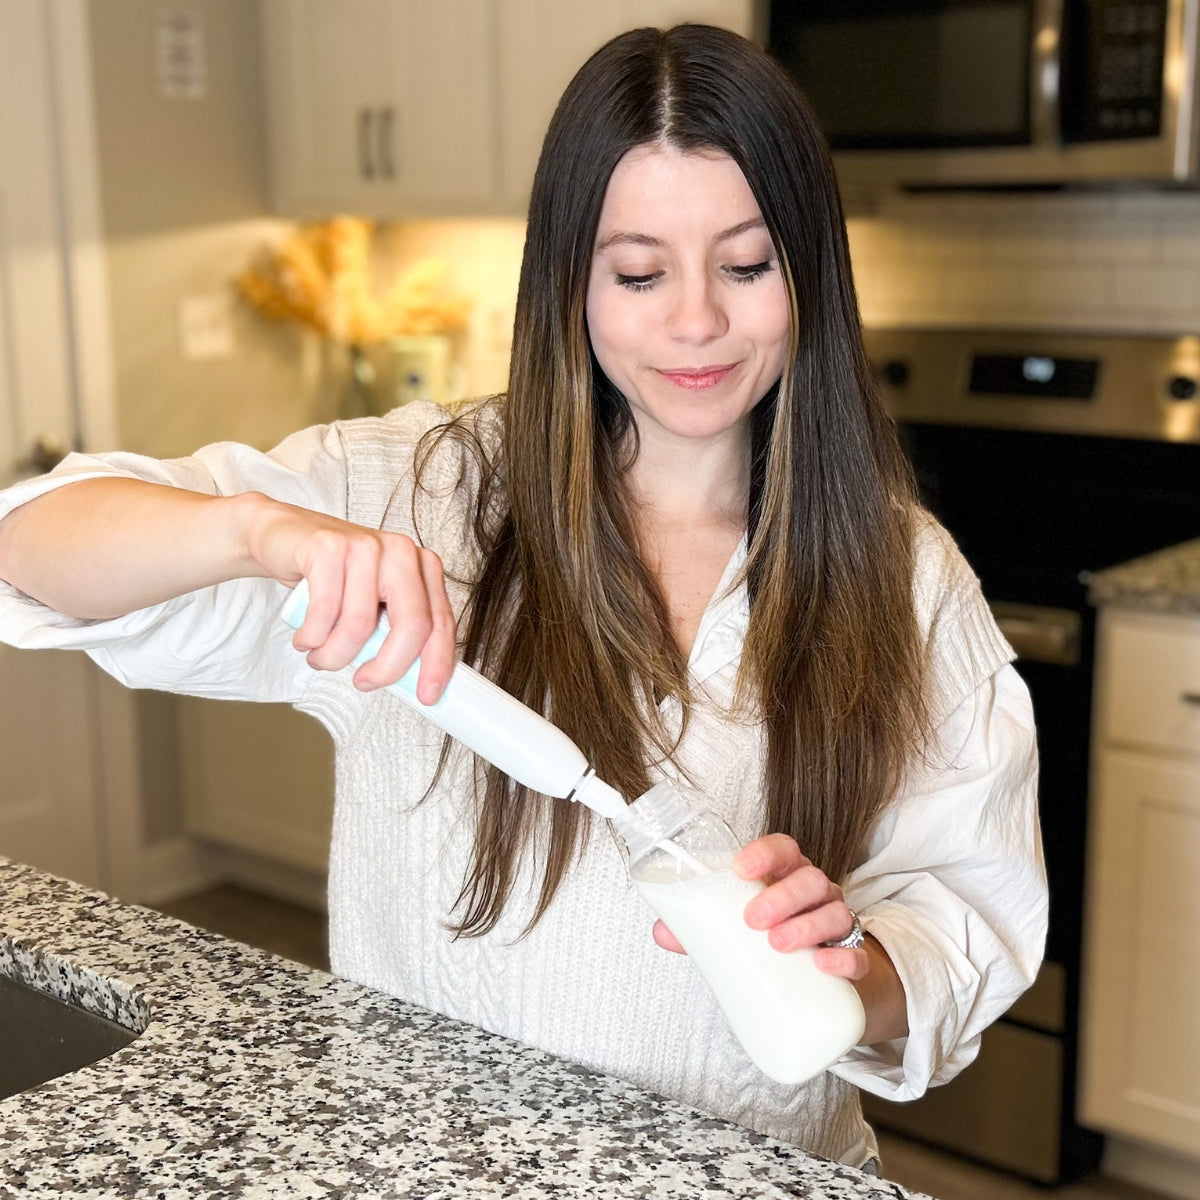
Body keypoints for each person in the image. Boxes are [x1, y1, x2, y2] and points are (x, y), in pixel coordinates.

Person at [0, 24, 1045, 1172]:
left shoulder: (904, 574)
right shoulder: (418, 497)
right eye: (639, 274)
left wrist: (849, 964)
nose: (695, 320)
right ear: (570, 282)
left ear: (810, 274)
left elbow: (963, 915)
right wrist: (258, 531)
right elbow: (28, 544)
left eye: (746, 266)